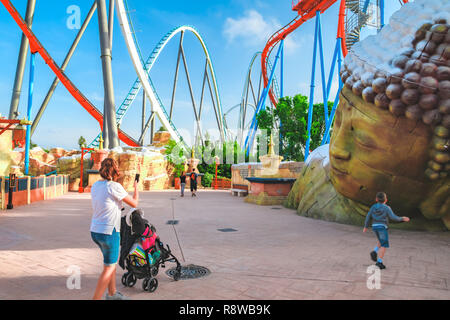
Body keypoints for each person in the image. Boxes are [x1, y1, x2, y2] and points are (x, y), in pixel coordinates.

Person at [90, 158, 139, 300]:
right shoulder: (114, 186)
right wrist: (136, 188)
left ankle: (112, 293)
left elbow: (112, 202)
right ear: (115, 170)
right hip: (109, 232)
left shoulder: (96, 185)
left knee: (108, 262)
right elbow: (134, 203)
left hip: (95, 231)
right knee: (109, 268)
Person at [363, 192, 410, 270]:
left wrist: (365, 226)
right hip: (382, 227)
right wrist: (402, 218)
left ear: (376, 199)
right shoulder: (387, 208)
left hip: (374, 227)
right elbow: (393, 217)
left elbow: (368, 216)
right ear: (386, 200)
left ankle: (374, 251)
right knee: (384, 245)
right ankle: (379, 262)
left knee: (380, 241)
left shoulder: (373, 207)